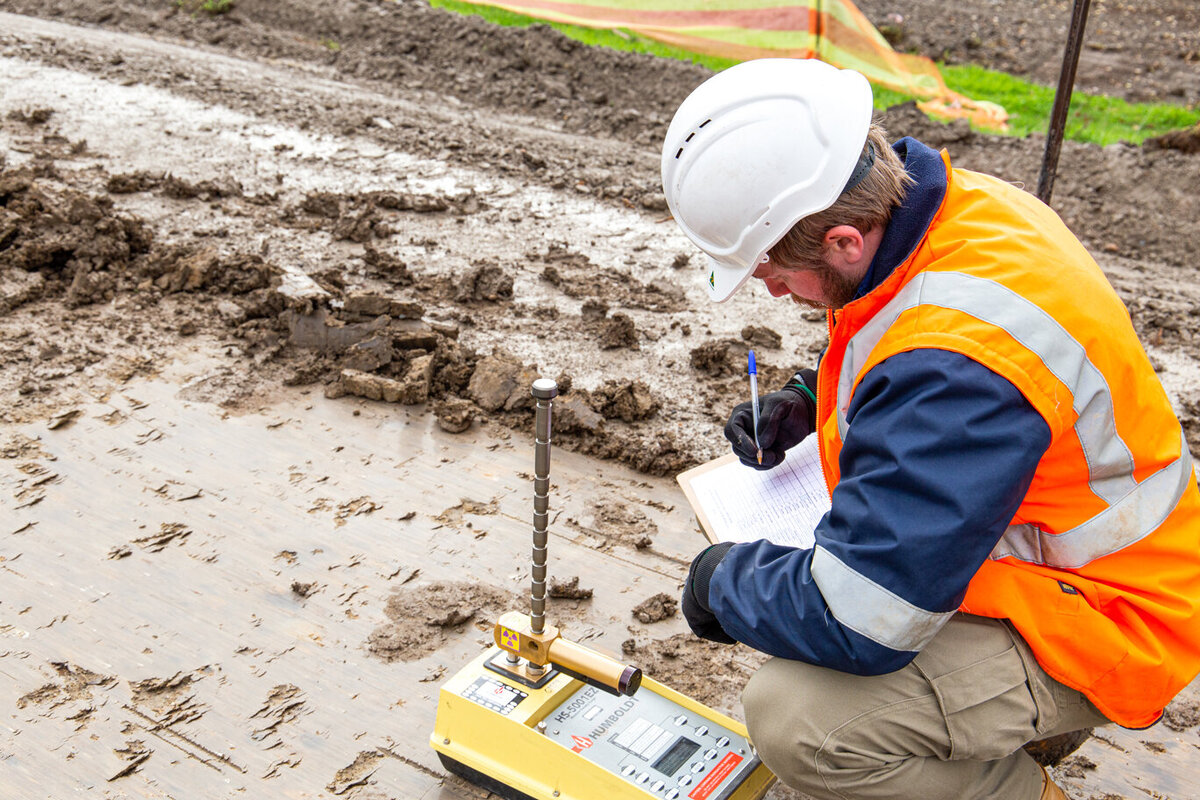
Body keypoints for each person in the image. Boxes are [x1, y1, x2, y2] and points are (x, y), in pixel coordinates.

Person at [661, 58, 1200, 800]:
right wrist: (807, 397)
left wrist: (724, 583)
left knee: (799, 720)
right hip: (1049, 562)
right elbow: (911, 339)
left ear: (845, 240)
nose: (773, 288)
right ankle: (1007, 719)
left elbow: (864, 620)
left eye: (773, 271)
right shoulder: (952, 212)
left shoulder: (959, 370)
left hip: (1110, 616)